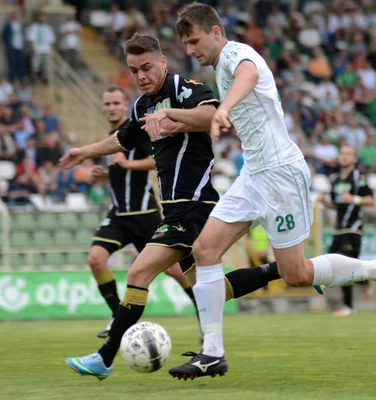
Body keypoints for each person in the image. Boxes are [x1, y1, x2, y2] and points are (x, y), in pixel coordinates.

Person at [168, 3, 376, 379]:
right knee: (204, 250)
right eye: (185, 44)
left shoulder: (235, 54)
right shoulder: (222, 64)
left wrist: (224, 108)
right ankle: (212, 352)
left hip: (280, 174)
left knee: (296, 273)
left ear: (215, 32)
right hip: (254, 175)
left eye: (194, 40)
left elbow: (248, 75)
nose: (190, 50)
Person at [60, 33, 284, 380]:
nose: (142, 76)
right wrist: (85, 151)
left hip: (194, 206)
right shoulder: (141, 106)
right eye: (134, 70)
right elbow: (123, 138)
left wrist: (168, 115)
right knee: (211, 289)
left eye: (147, 67)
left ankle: (105, 357)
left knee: (138, 273)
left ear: (162, 62)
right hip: (177, 210)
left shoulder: (186, 89)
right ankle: (279, 270)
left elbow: (211, 116)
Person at [87, 84, 200, 339]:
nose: (111, 108)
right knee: (95, 259)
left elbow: (156, 160)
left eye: (116, 103)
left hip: (143, 212)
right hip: (118, 213)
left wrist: (127, 163)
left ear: (124, 105)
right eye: (107, 104)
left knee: (172, 269)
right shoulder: (111, 134)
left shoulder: (135, 130)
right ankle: (118, 316)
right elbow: (122, 171)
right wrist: (106, 174)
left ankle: (202, 308)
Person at [318, 145, 376, 317]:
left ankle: (348, 306)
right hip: (338, 230)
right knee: (333, 267)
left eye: (348, 154)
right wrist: (325, 202)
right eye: (342, 154)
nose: (344, 157)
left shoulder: (359, 177)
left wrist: (354, 199)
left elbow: (371, 200)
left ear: (354, 158)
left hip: (353, 229)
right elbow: (336, 204)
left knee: (345, 267)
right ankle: (367, 281)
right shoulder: (335, 179)